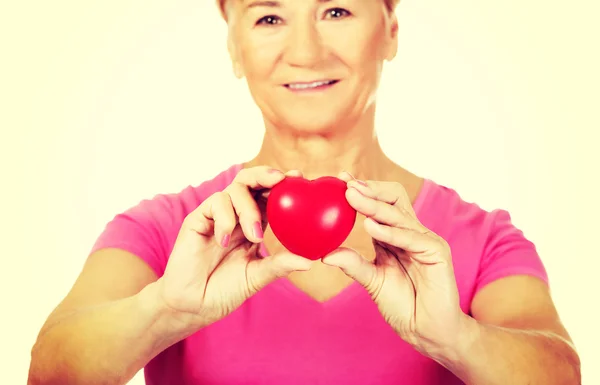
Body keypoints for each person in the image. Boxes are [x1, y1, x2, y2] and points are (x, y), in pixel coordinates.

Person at [28, 0, 581, 384]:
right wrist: (166, 311)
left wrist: (456, 339)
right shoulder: (164, 230)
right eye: (269, 16)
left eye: (336, 11)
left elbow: (563, 374)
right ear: (235, 49)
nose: (306, 51)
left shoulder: (482, 241)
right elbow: (48, 371)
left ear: (391, 30)